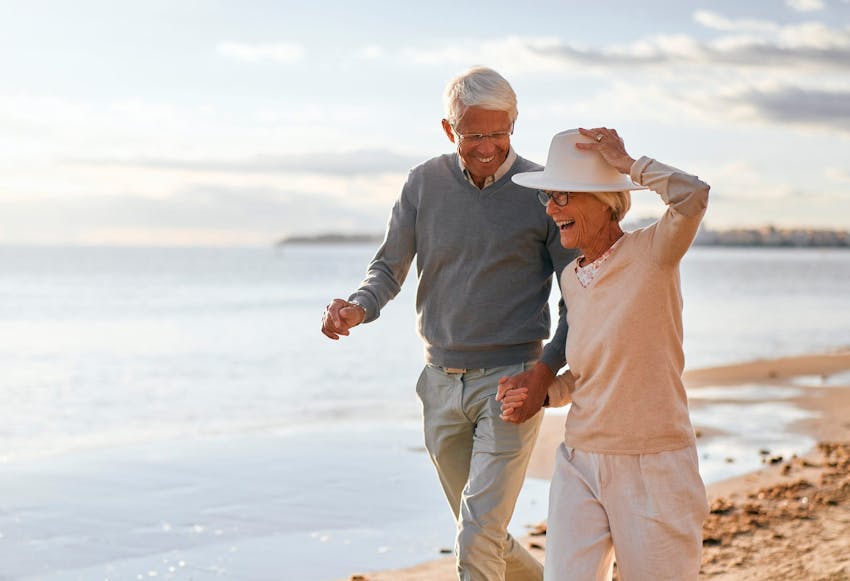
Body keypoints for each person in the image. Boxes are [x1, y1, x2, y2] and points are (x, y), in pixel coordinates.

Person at [320, 66, 577, 580]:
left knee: (476, 533)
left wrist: (544, 372)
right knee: (484, 532)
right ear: (448, 129)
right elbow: (389, 268)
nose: (487, 147)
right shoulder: (423, 183)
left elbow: (579, 300)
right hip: (438, 385)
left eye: (499, 133)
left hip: (511, 382)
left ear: (515, 124)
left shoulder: (543, 193)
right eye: (473, 134)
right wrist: (358, 307)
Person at [498, 127, 711, 580]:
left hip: (654, 464)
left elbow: (693, 196)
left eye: (564, 197)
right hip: (579, 458)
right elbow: (591, 370)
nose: (552, 210)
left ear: (605, 199)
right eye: (549, 198)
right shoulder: (573, 278)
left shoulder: (654, 251)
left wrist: (628, 163)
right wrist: (543, 394)